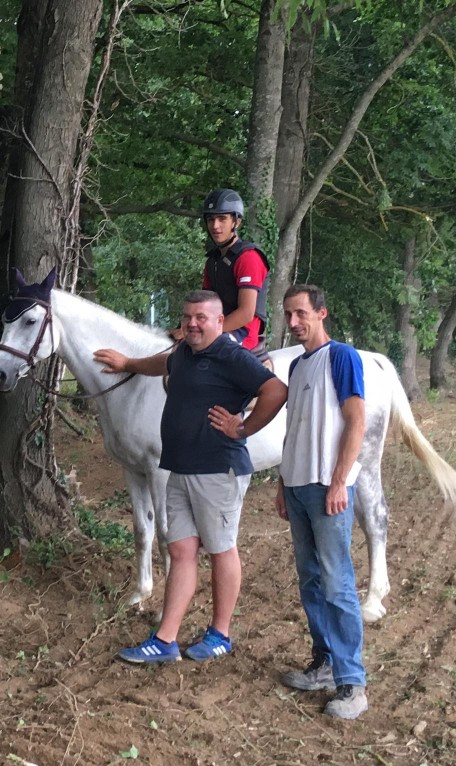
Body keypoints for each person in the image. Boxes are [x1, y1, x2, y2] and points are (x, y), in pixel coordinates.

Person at [94, 290, 287, 663]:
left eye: (201, 317)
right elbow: (162, 363)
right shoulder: (184, 353)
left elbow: (275, 390)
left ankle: (220, 634)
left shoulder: (232, 355)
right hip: (180, 468)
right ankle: (165, 640)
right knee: (180, 550)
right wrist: (129, 363)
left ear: (219, 321)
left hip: (217, 468)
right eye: (187, 317)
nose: (193, 323)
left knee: (220, 549)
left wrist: (242, 428)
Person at [275, 284, 368, 720]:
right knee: (311, 580)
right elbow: (294, 430)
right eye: (288, 315)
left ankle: (353, 683)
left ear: (321, 313)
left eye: (301, 314)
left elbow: (355, 421)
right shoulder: (297, 367)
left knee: (337, 583)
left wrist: (338, 482)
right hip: (296, 486)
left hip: (327, 489)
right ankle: (324, 663)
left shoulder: (342, 357)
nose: (293, 323)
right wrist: (282, 483)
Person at [173, 189, 270, 357]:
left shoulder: (249, 258)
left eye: (222, 219)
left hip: (243, 333)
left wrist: (206, 330)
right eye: (211, 219)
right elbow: (204, 305)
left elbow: (246, 313)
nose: (215, 226)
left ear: (236, 222)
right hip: (216, 328)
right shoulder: (213, 260)